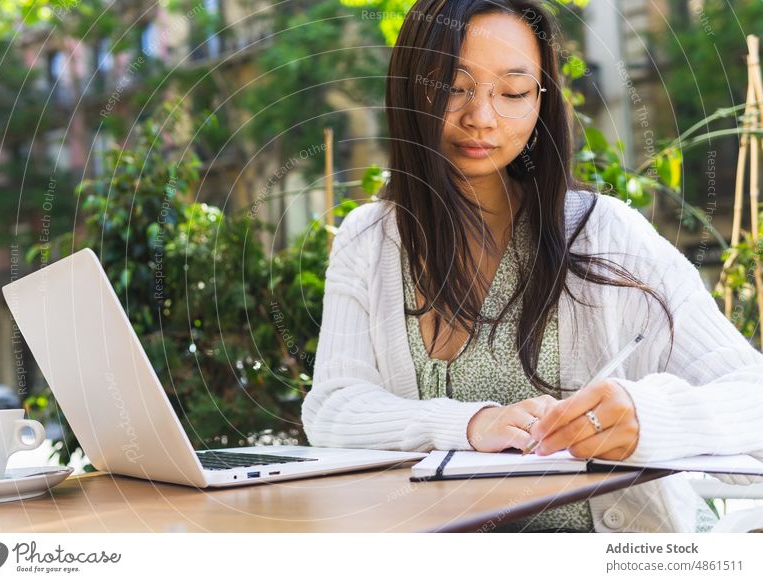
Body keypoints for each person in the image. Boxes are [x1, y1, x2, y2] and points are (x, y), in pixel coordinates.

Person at [301, 0, 763, 532]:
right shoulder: (369, 239)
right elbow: (334, 409)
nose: (481, 116)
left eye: (514, 92)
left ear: (541, 101)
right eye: (453, 87)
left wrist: (648, 418)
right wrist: (472, 424)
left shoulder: (603, 231)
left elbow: (751, 392)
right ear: (410, 89)